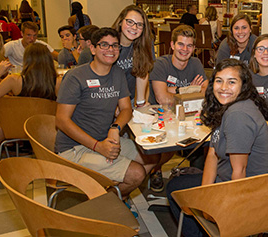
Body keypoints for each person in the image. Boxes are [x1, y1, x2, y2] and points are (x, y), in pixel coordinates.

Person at [166, 58, 268, 237]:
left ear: (243, 86)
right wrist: (205, 194)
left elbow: (240, 172)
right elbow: (213, 154)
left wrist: (228, 214)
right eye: (219, 80)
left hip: (244, 194)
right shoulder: (227, 108)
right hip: (224, 182)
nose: (224, 87)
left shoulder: (238, 115)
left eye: (232, 82)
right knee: (177, 185)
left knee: (175, 188)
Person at [55, 28, 158, 199]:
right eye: (104, 45)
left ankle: (113, 198)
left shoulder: (117, 73)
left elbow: (126, 108)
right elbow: (61, 121)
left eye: (115, 46)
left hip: (105, 138)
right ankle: (109, 202)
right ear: (93, 49)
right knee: (136, 173)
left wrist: (115, 128)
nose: (110, 50)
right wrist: (98, 146)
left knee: (151, 157)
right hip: (74, 149)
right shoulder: (76, 77)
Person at [147, 24, 208, 192]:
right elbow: (162, 98)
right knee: (169, 146)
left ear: (194, 48)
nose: (184, 49)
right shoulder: (161, 64)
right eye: (180, 44)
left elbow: (205, 91)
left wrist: (173, 91)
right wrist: (187, 89)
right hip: (160, 116)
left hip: (188, 116)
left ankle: (197, 179)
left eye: (189, 45)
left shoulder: (195, 63)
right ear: (172, 45)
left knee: (204, 141)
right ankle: (156, 170)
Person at [0, 43, 61, 156]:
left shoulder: (13, 80)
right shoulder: (58, 82)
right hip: (46, 129)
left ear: (26, 60)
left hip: (16, 127)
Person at [112, 5, 154, 107]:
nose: (134, 27)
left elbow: (142, 72)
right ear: (120, 21)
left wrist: (140, 102)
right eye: (130, 22)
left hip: (129, 100)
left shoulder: (144, 44)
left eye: (139, 25)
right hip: (107, 99)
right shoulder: (109, 44)